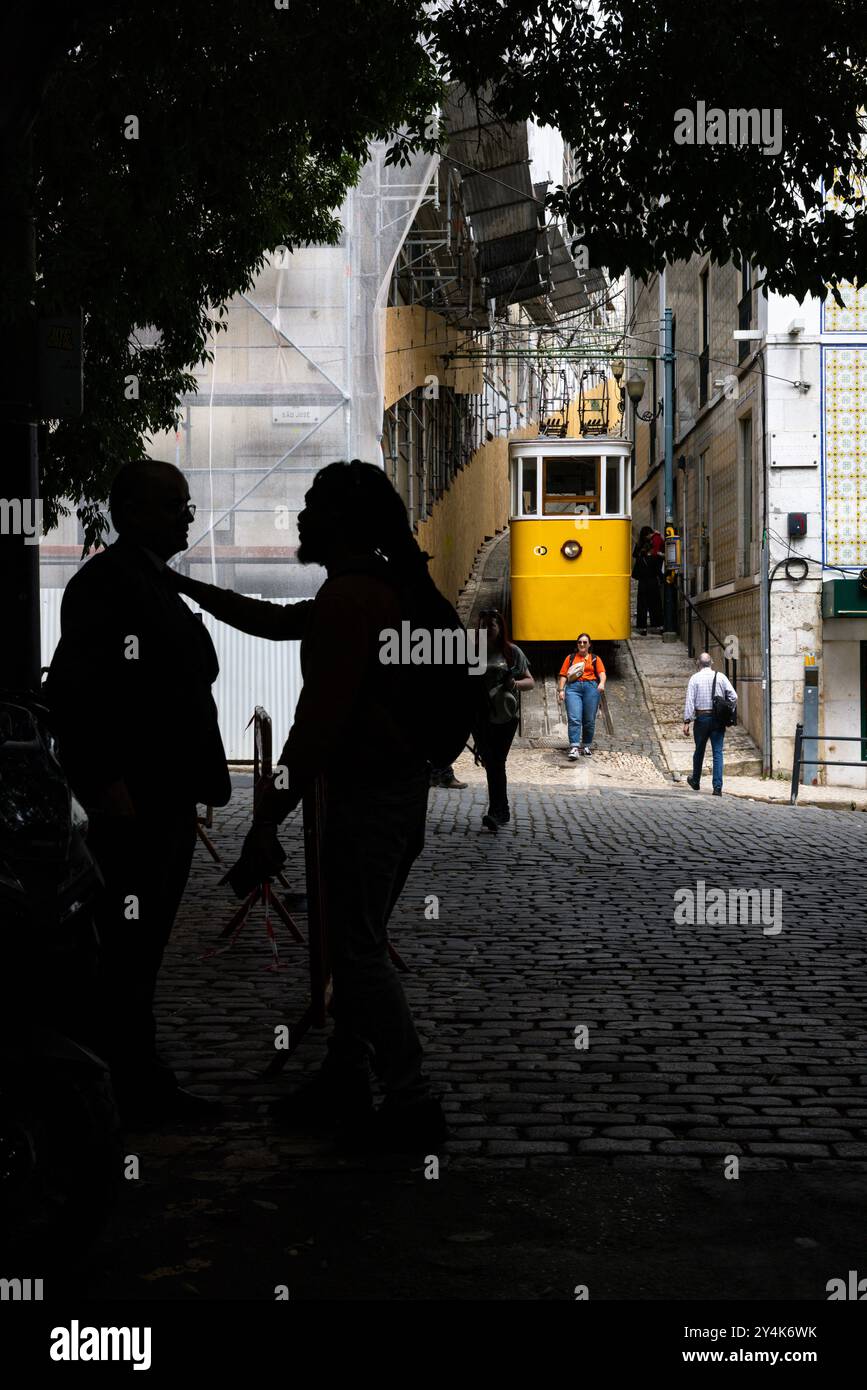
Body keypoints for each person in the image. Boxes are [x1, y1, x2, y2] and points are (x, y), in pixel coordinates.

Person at [168, 459, 453, 1151]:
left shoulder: (351, 599)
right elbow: (277, 622)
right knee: (354, 942)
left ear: (342, 524)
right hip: (395, 793)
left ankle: (411, 1100)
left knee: (354, 951)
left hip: (368, 799)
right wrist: (187, 587)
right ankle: (345, 1076)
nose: (300, 517)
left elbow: (315, 727)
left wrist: (267, 819)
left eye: (312, 507)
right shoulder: (373, 589)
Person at [44, 460, 231, 1125]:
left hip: (160, 796)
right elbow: (76, 693)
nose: (188, 514)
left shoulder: (146, 579)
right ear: (130, 512)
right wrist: (106, 786)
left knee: (139, 948)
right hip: (137, 804)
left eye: (186, 503)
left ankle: (128, 1077)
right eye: (174, 504)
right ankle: (125, 1084)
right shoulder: (111, 585)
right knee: (127, 948)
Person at [472, 607, 534, 832]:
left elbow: (530, 682)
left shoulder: (511, 652)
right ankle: (501, 809)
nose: (487, 629)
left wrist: (514, 684)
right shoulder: (471, 651)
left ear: (500, 628)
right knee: (491, 762)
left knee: (496, 761)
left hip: (507, 715)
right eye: (483, 625)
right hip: (480, 715)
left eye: (491, 625)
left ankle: (497, 812)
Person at [682, 651, 738, 796]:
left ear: (698, 664)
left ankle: (695, 781)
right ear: (711, 662)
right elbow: (734, 696)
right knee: (717, 753)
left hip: (701, 719)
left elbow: (690, 701)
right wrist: (727, 710)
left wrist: (687, 721)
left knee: (699, 751)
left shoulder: (694, 679)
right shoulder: (721, 677)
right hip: (718, 720)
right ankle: (717, 787)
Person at [557, 632, 606, 758]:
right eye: (580, 642)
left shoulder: (595, 658)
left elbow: (602, 673)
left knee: (589, 719)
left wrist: (602, 683)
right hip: (573, 688)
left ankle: (586, 745)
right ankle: (574, 747)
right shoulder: (571, 658)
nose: (582, 644)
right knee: (574, 717)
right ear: (577, 644)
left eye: (585, 642)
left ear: (589, 644)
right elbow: (563, 675)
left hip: (591, 688)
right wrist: (561, 690)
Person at [632, 539, 662, 634]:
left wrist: (642, 576)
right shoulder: (655, 559)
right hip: (653, 584)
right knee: (655, 605)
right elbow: (658, 572)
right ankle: (658, 625)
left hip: (643, 584)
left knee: (642, 607)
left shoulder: (640, 560)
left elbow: (634, 574)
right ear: (651, 549)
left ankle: (643, 628)